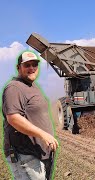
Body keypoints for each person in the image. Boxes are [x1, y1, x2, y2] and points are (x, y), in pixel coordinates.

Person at [2, 50, 59, 179]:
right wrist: (43, 134)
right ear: (18, 68)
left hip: (40, 152)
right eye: (27, 65)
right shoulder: (14, 88)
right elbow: (13, 118)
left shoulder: (33, 86)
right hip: (25, 154)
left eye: (34, 64)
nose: (32, 68)